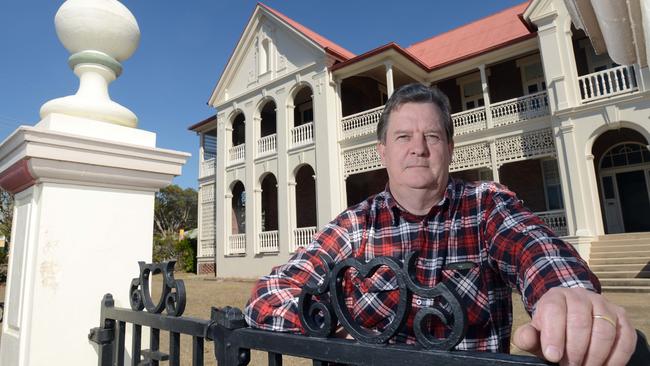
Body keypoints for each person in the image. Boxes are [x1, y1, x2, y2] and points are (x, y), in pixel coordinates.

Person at [244, 83, 637, 365]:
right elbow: (270, 294)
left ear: (449, 148)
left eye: (431, 135)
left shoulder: (484, 206)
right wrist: (333, 329)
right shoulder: (356, 224)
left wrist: (565, 295)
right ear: (383, 151)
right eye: (403, 137)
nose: (418, 147)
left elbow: (530, 244)